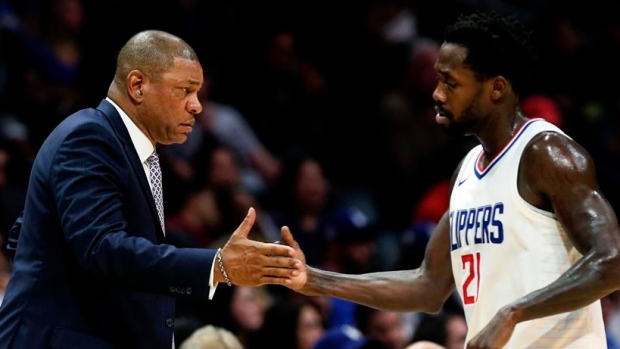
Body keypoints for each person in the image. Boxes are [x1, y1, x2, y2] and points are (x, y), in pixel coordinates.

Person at [278, 10, 620, 349]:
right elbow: (427, 285)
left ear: (496, 88)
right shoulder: (467, 170)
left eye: (450, 82)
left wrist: (515, 312)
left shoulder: (545, 153)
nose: (437, 93)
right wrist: (315, 280)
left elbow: (613, 260)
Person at [0, 30, 302, 349]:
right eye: (185, 90)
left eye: (198, 92)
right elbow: (101, 247)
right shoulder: (90, 138)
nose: (197, 106)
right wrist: (218, 265)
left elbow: (29, 235)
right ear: (137, 85)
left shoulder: (126, 148)